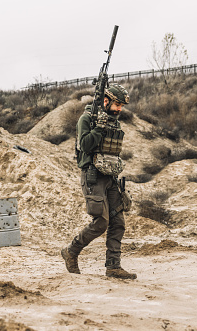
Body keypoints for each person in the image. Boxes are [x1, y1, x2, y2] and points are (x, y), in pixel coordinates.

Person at [61, 83, 136, 279]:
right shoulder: (86, 119)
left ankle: (113, 267)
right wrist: (99, 128)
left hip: (110, 176)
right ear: (106, 101)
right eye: (117, 104)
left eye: (121, 106)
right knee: (101, 221)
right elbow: (85, 145)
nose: (119, 109)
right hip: (93, 176)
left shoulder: (113, 121)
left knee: (118, 222)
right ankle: (71, 251)